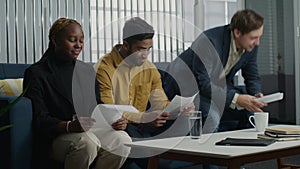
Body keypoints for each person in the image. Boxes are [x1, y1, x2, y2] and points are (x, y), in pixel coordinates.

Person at [164, 8, 268, 169]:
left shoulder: (250, 45)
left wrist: (256, 95)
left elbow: (252, 75)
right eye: (254, 37)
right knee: (212, 115)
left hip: (213, 86)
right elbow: (203, 84)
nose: (257, 42)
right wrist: (236, 98)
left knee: (250, 111)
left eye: (259, 37)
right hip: (186, 87)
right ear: (237, 32)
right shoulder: (209, 41)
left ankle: (237, 162)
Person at [23, 18, 131, 169]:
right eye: (72, 40)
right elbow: (39, 117)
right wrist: (68, 126)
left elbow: (98, 106)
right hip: (56, 136)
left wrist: (113, 120)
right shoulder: (37, 73)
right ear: (55, 40)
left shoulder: (86, 71)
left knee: (121, 140)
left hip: (89, 130)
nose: (78, 45)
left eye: (81, 40)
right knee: (86, 142)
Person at [94, 17, 195, 169]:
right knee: (157, 160)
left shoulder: (149, 68)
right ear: (126, 45)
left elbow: (160, 101)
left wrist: (178, 108)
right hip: (116, 128)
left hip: (141, 129)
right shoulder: (104, 68)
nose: (145, 54)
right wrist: (144, 118)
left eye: (149, 49)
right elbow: (109, 111)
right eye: (141, 49)